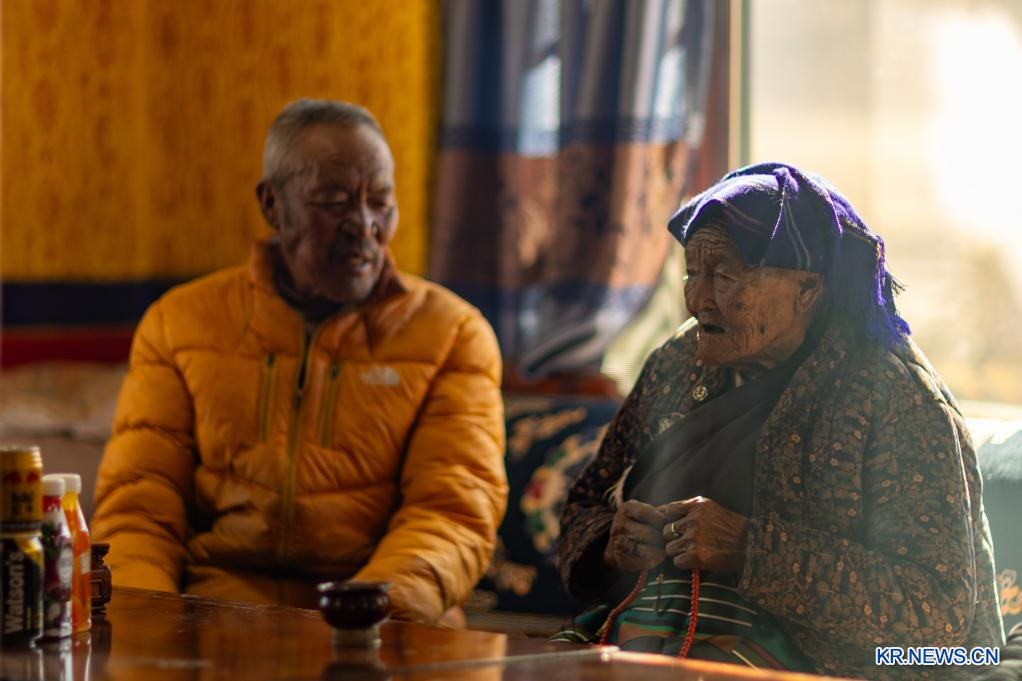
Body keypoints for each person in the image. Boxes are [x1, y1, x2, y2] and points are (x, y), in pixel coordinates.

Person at [554, 162, 1003, 679]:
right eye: (692, 274)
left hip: (834, 665)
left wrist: (748, 549)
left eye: (725, 276)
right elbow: (584, 506)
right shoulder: (678, 362)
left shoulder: (893, 397)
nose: (698, 301)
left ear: (806, 290)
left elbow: (937, 613)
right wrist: (610, 544)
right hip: (652, 634)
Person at [91, 99, 508, 624]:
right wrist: (147, 625)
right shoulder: (179, 322)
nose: (365, 225)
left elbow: (451, 512)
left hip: (383, 626)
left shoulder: (452, 334)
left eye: (381, 202)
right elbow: (139, 506)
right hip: (213, 622)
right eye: (334, 201)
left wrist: (365, 618)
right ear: (273, 205)